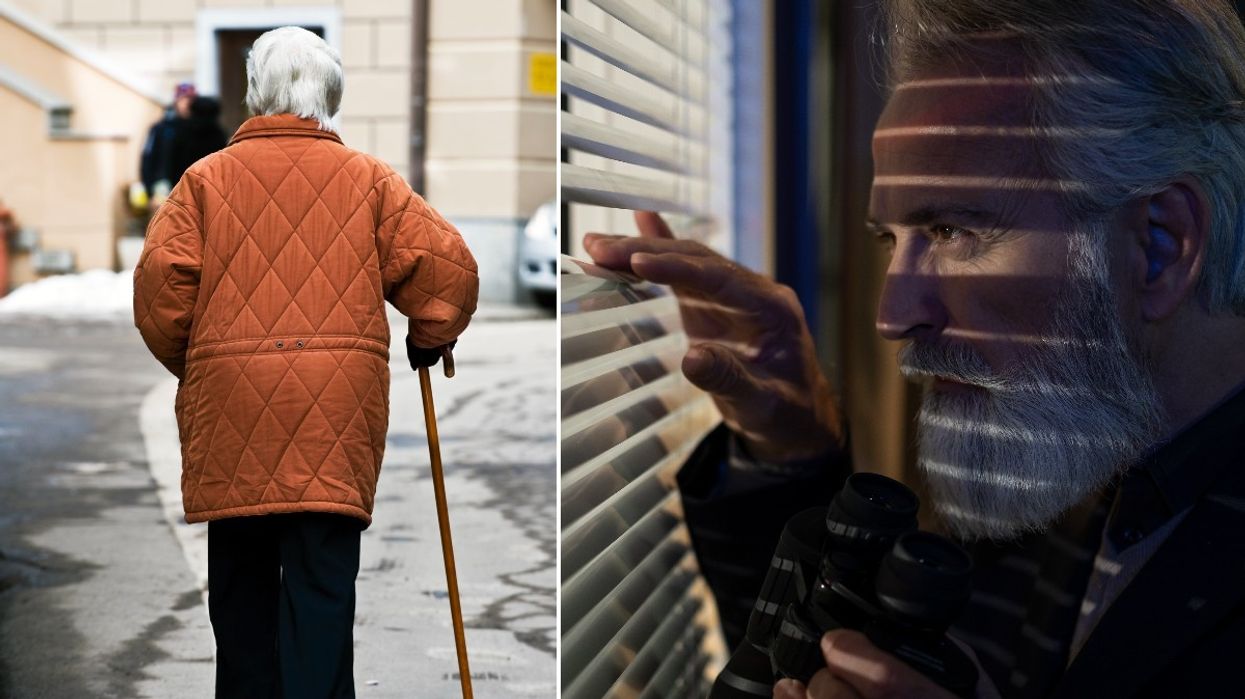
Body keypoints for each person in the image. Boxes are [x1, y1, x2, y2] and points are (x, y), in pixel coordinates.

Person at [583, 0, 1245, 697]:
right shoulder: (1070, 456)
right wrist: (790, 449)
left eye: (953, 232)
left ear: (1158, 246)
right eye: (889, 240)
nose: (892, 316)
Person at [132, 26, 479, 698]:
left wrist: (208, 364)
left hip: (232, 405)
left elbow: (159, 298)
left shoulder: (203, 181)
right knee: (322, 583)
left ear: (256, 92)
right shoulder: (371, 180)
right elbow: (447, 272)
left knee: (241, 587)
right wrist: (429, 335)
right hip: (334, 410)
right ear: (330, 95)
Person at [139, 82, 196, 205]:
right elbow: (147, 158)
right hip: (164, 191)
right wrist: (149, 191)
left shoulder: (202, 130)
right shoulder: (160, 129)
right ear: (176, 101)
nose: (187, 103)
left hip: (192, 192)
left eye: (190, 99)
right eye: (183, 99)